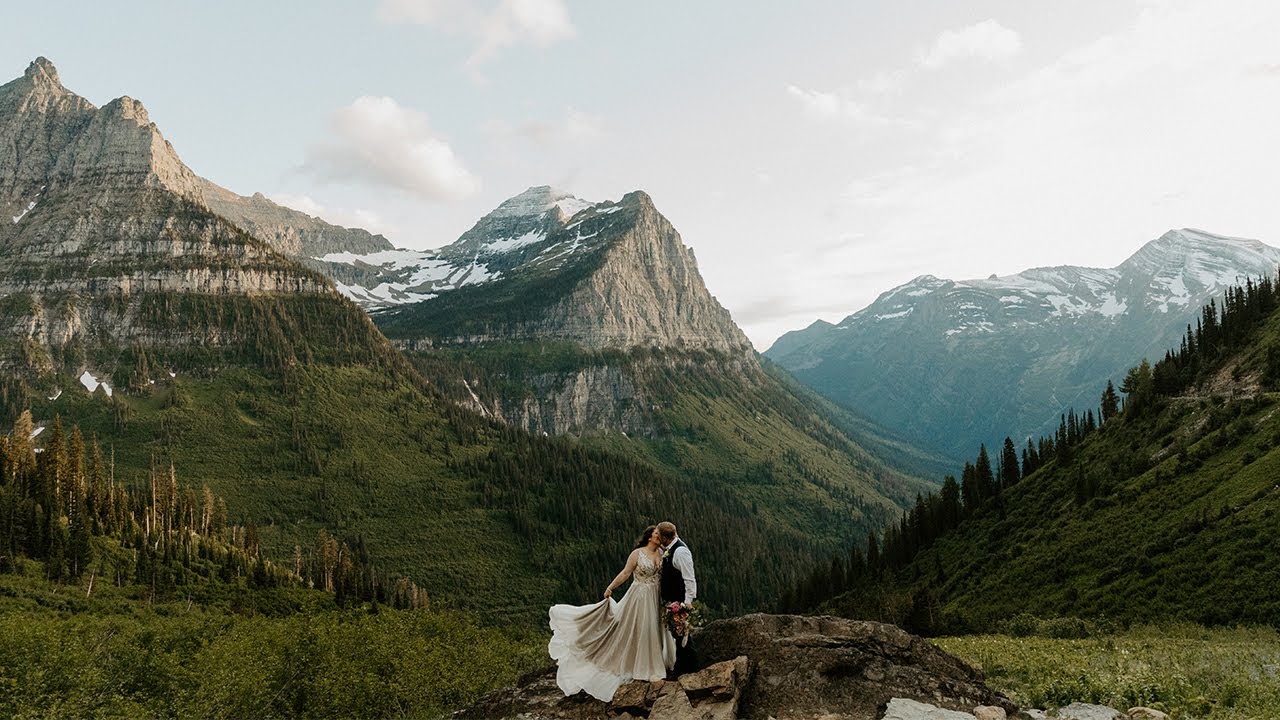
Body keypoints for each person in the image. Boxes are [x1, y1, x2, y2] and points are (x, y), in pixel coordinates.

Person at [547, 525, 673, 702]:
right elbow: (626, 573)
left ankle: (654, 662)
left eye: (660, 534)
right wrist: (611, 587)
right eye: (657, 533)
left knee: (654, 629)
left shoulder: (662, 552)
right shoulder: (637, 554)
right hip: (639, 597)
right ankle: (646, 667)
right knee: (641, 629)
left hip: (656, 597)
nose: (659, 536)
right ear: (649, 536)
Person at [656, 521, 698, 677]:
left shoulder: (680, 552)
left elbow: (689, 578)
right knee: (678, 635)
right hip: (673, 601)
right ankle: (683, 667)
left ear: (664, 538)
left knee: (683, 635)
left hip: (679, 602)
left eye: (659, 536)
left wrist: (687, 603)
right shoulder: (671, 548)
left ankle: (690, 668)